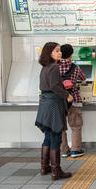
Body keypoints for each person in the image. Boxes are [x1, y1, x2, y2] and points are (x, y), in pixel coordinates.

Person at [35, 42, 73, 181]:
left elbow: (47, 86)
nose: (60, 53)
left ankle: (44, 167)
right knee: (56, 137)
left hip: (45, 104)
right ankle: (56, 171)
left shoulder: (44, 68)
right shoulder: (54, 68)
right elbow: (55, 86)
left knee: (47, 137)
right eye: (56, 51)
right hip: (53, 105)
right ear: (49, 53)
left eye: (59, 51)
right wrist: (67, 95)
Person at [59, 44, 87, 158]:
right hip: (73, 98)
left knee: (60, 126)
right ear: (71, 54)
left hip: (59, 99)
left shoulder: (54, 67)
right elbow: (84, 78)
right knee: (75, 125)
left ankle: (64, 150)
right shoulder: (75, 67)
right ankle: (75, 150)